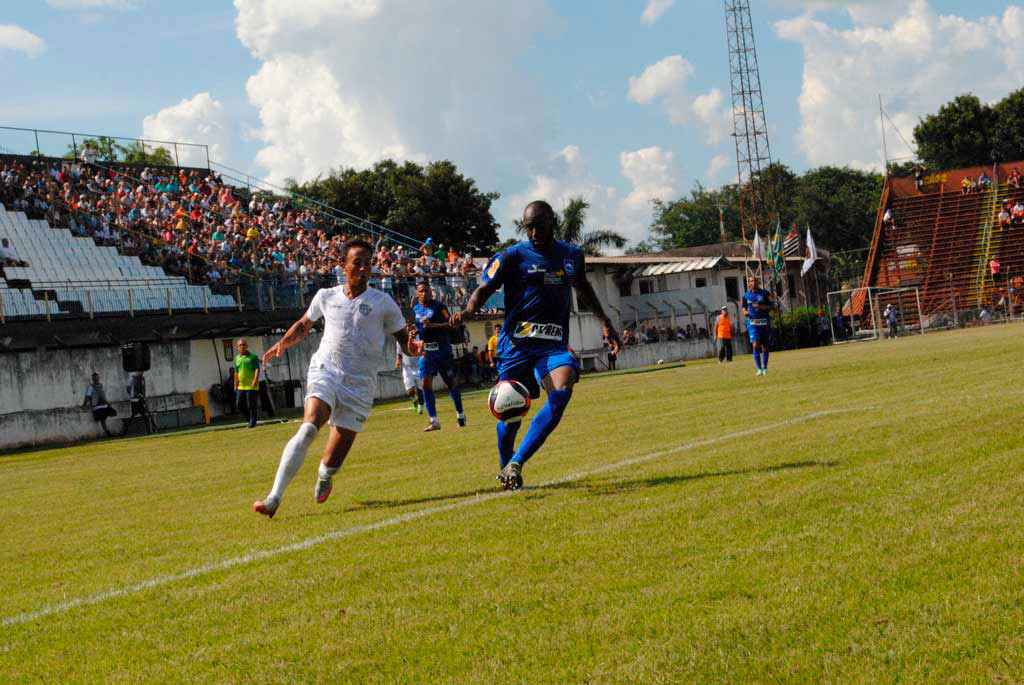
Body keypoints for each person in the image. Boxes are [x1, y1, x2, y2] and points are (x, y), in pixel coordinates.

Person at [452, 200, 621, 491]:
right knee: (510, 416)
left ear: (551, 222)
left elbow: (584, 288)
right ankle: (507, 470)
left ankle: (516, 463)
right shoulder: (512, 256)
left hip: (553, 345)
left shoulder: (571, 256)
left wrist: (605, 320)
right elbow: (484, 288)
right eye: (528, 227)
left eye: (538, 226)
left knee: (562, 391)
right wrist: (468, 310)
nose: (533, 232)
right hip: (515, 346)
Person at [253, 240, 422, 518]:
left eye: (368, 263)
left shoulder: (383, 303)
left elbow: (404, 340)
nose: (363, 268)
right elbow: (303, 324)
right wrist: (283, 343)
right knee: (309, 428)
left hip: (360, 385)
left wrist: (412, 348)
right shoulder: (326, 296)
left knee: (332, 461)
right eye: (357, 262)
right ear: (344, 266)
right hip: (326, 371)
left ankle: (325, 474)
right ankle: (273, 498)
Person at [413, 281, 466, 430]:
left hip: (443, 351)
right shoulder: (416, 308)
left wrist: (433, 325)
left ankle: (460, 415)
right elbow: (420, 326)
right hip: (427, 353)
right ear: (417, 294)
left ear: (431, 292)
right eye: (421, 291)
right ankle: (434, 421)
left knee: (451, 384)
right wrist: (415, 332)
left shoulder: (439, 307)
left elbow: (451, 325)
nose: (424, 294)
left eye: (427, 291)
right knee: (425, 384)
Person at [742, 275, 774, 376]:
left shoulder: (765, 293)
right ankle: (759, 369)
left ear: (758, 282)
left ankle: (765, 368)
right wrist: (745, 312)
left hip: (764, 322)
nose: (753, 282)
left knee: (765, 346)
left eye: (755, 281)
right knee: (755, 345)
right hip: (753, 323)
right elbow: (744, 308)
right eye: (751, 281)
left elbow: (772, 306)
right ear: (749, 283)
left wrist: (761, 307)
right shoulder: (746, 296)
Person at [234, 339, 261, 428]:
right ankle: (250, 419)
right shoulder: (237, 358)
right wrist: (235, 384)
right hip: (241, 385)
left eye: (244, 344)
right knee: (239, 404)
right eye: (240, 345)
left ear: (247, 346)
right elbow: (236, 372)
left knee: (251, 405)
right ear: (238, 347)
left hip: (251, 385)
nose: (242, 346)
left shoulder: (253, 357)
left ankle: (252, 422)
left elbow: (257, 369)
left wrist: (255, 380)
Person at [82, 372, 116, 437]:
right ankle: (108, 433)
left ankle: (108, 432)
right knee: (103, 420)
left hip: (104, 405)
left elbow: (103, 396)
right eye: (95, 377)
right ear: (93, 379)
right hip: (98, 407)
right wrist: (84, 404)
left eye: (98, 377)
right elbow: (87, 396)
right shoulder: (90, 387)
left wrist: (108, 404)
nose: (97, 379)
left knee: (114, 413)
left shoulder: (101, 385)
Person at [396, 347, 424, 415]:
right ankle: (414, 400)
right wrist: (398, 360)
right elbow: (399, 353)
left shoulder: (419, 337)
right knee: (410, 391)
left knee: (420, 389)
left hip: (419, 366)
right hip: (407, 368)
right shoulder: (401, 338)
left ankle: (420, 409)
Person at [124, 371, 154, 435]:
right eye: (141, 371)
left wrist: (143, 397)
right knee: (137, 416)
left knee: (145, 416)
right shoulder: (132, 378)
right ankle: (125, 432)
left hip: (140, 400)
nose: (142, 373)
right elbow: (128, 388)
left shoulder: (142, 378)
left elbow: (143, 389)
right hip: (135, 400)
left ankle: (150, 432)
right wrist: (133, 396)